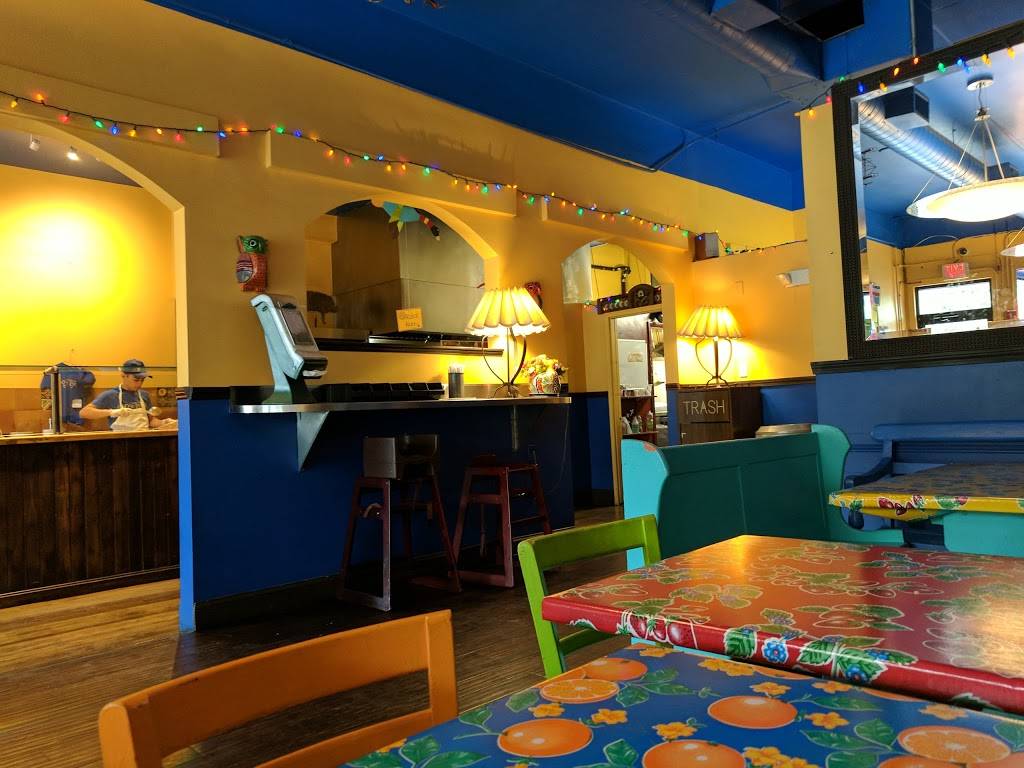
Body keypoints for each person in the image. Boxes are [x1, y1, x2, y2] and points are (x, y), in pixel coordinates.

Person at [80, 359, 172, 431]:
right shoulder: (110, 395)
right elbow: (84, 413)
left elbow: (151, 421)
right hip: (121, 441)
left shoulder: (144, 395)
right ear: (124, 375)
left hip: (143, 439)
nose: (139, 384)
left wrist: (164, 423)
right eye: (136, 380)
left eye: (142, 380)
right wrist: (112, 412)